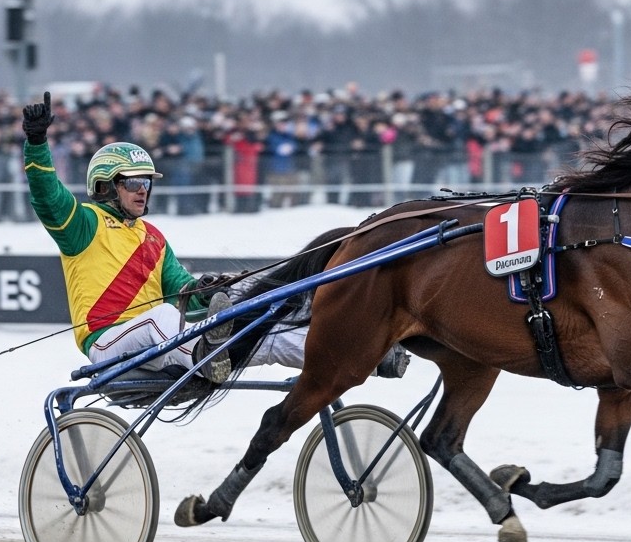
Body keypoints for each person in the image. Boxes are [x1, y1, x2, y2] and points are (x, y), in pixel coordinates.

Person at [21, 92, 410, 383]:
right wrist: (37, 143)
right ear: (106, 186)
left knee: (263, 330)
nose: (143, 190)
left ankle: (367, 357)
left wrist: (210, 290)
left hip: (167, 344)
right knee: (160, 317)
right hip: (108, 344)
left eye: (147, 183)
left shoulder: (153, 237)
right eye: (134, 182)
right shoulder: (82, 226)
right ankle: (208, 354)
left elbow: (182, 292)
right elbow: (47, 196)